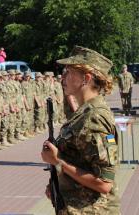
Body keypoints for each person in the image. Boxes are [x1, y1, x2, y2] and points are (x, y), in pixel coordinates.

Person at [41, 46, 120, 214]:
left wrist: (58, 162)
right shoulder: (83, 113)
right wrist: (60, 182)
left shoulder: (94, 117)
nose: (63, 78)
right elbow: (80, 160)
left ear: (86, 78)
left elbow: (104, 183)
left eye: (68, 72)